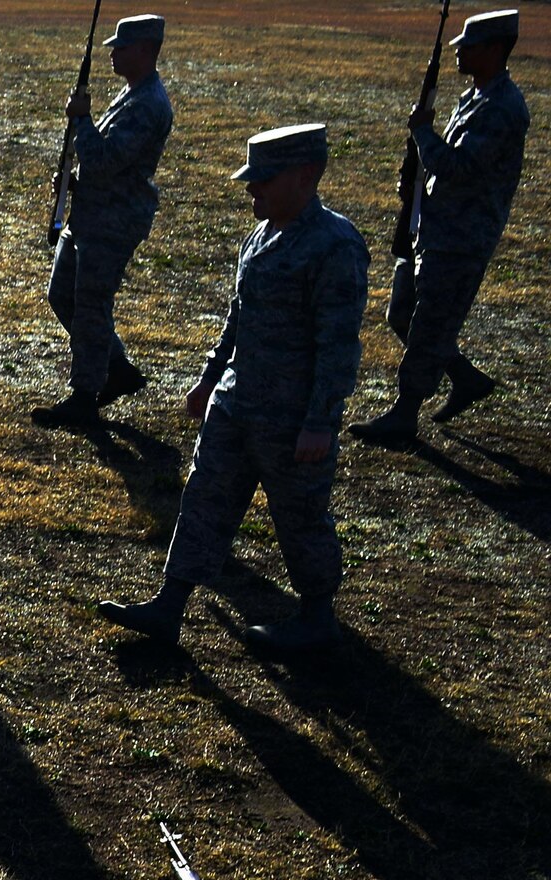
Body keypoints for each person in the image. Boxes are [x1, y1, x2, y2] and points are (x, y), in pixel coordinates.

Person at [98, 125, 368, 657]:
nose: (252, 189)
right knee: (204, 500)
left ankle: (318, 617)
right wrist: (207, 378)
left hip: (291, 419)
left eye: (264, 180)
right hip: (236, 403)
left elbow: (338, 345)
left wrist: (320, 419)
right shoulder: (261, 234)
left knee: (299, 516)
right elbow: (237, 318)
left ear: (305, 177)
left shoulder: (334, 246)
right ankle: (168, 607)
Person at [352, 8, 529, 441]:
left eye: (467, 46)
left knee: (429, 324)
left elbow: (457, 168)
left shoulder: (503, 108)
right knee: (403, 314)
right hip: (431, 227)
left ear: (493, 49)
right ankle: (466, 379)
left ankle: (404, 415)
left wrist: (423, 134)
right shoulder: (476, 96)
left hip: (460, 239)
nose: (458, 53)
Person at [34, 13, 173, 429]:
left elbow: (106, 158)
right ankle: (116, 367)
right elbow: (99, 165)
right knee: (63, 295)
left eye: (122, 47)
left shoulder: (148, 104)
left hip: (113, 221)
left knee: (91, 306)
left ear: (146, 51)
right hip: (91, 213)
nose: (113, 53)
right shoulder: (132, 94)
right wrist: (74, 180)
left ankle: (84, 395)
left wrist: (81, 120)